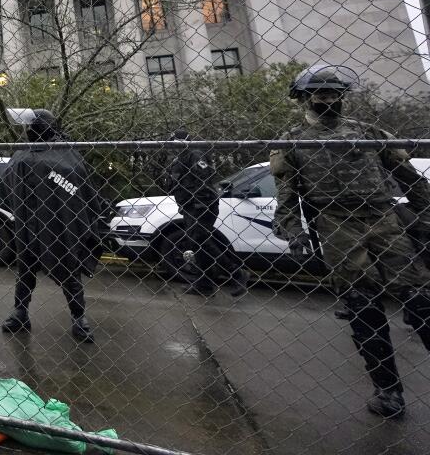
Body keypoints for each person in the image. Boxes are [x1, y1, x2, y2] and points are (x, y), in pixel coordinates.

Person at [270, 64, 430, 419]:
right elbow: (286, 192)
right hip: (337, 222)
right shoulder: (293, 140)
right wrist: (291, 228)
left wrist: (426, 215)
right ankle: (388, 390)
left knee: (419, 296)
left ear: (343, 96)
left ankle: (388, 389)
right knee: (363, 306)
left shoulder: (368, 132)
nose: (328, 98)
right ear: (305, 98)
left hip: (382, 217)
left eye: (333, 92)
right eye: (320, 93)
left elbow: (407, 176)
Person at [0, 108, 103, 344]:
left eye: (29, 127)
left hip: (58, 227)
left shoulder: (63, 155)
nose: (26, 131)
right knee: (27, 270)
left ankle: (78, 317)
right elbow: (6, 191)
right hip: (33, 226)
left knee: (67, 269)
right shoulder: (26, 155)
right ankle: (21, 312)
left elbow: (81, 190)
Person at [163, 129, 246, 297]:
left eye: (174, 142)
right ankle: (205, 284)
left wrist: (198, 201)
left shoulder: (195, 153)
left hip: (201, 204)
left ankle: (236, 272)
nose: (171, 146)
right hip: (189, 206)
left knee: (200, 240)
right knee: (197, 244)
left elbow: (203, 178)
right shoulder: (180, 158)